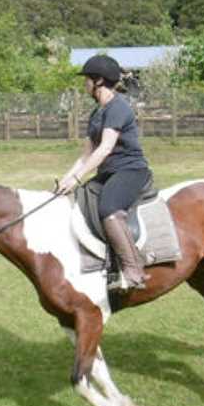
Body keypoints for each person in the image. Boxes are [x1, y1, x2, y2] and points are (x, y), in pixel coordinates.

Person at [56, 54, 152, 291]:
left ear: (98, 81)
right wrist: (67, 180)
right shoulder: (96, 113)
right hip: (108, 172)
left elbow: (105, 149)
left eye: (86, 79)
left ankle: (133, 269)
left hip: (130, 170)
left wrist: (78, 177)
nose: (84, 84)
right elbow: (86, 155)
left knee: (108, 210)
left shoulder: (118, 108)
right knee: (79, 198)